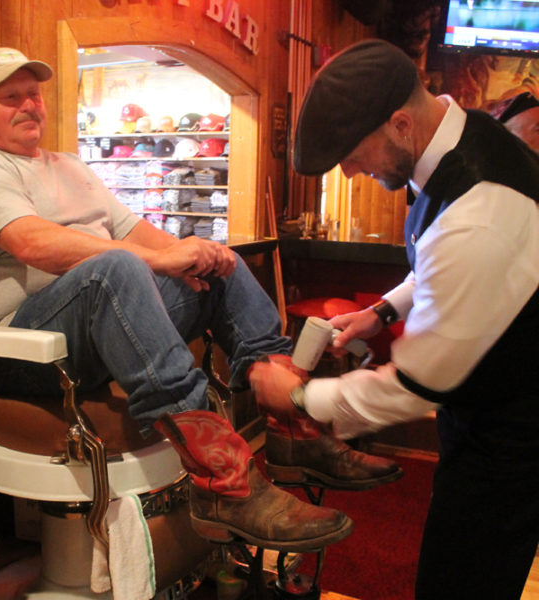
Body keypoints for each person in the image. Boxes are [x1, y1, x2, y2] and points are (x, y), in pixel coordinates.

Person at [0, 47, 398, 553]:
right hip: (17, 349)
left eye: (33, 94)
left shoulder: (67, 166)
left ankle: (292, 428)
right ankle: (225, 483)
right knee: (117, 268)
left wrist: (191, 252)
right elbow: (32, 244)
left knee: (224, 263)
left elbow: (132, 228)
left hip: (87, 332)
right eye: (9, 98)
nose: (28, 105)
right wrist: (158, 261)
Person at [250, 39, 539, 599]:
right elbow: (441, 265)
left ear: (401, 124)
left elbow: (414, 386)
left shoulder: (482, 207)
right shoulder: (460, 139)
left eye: (355, 157)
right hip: (487, 410)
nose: (353, 173)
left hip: (514, 432)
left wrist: (301, 400)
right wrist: (381, 312)